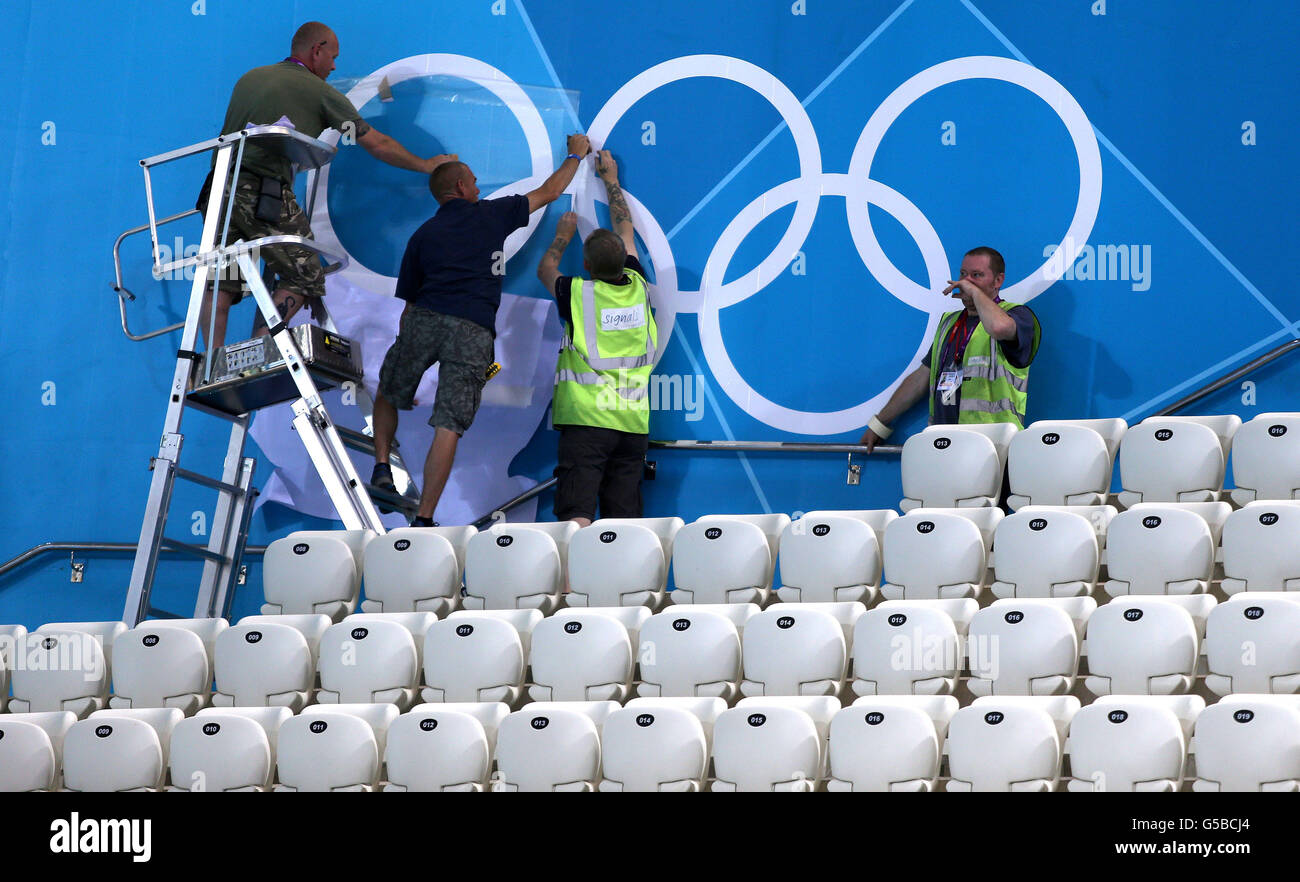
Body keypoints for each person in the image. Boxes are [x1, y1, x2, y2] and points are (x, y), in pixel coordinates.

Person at [370, 135, 594, 526]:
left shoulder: (422, 235)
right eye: (473, 181)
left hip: (425, 318)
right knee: (449, 425)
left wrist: (407, 347)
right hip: (473, 330)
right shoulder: (491, 215)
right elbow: (552, 190)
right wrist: (576, 153)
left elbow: (407, 307)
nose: (477, 187)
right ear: (459, 187)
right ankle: (424, 518)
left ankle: (382, 466)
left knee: (388, 392)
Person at [199, 21, 456, 350]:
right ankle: (258, 351)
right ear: (315, 50)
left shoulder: (251, 78)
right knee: (305, 272)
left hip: (218, 192)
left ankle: (212, 362)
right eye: (332, 57)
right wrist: (427, 165)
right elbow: (377, 144)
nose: (334, 66)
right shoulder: (319, 92)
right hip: (262, 193)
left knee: (221, 283)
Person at [537, 150, 655, 527]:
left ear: (586, 266)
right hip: (632, 427)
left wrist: (561, 238)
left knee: (577, 514)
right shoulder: (638, 286)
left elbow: (546, 269)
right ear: (624, 262)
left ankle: (572, 589)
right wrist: (611, 180)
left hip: (587, 423)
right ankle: (622, 587)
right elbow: (625, 228)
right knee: (624, 522)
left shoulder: (575, 293)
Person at [858, 247, 1040, 450]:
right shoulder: (949, 323)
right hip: (945, 444)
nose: (965, 282)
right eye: (963, 274)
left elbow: (998, 328)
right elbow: (921, 378)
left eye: (976, 275)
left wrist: (973, 292)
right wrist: (880, 423)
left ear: (998, 281)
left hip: (993, 446)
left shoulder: (1017, 316)